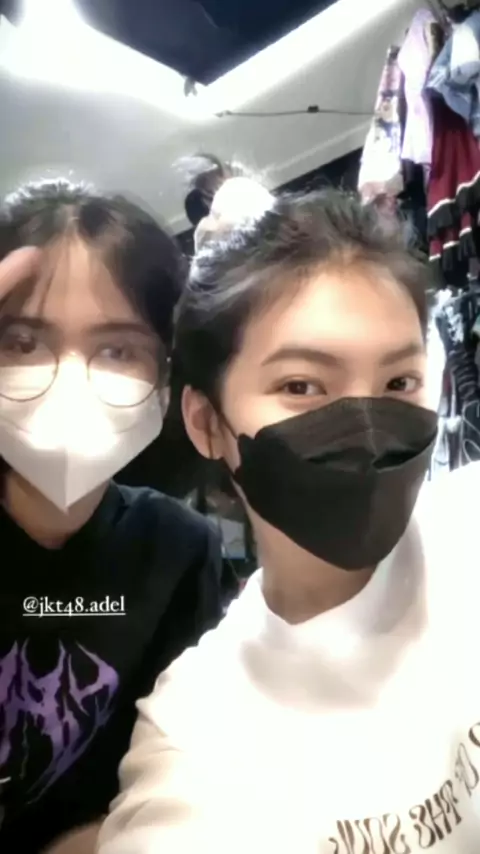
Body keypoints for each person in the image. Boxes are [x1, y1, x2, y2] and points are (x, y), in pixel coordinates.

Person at [98, 161, 480, 854]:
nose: (367, 430)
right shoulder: (199, 740)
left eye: (399, 381)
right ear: (208, 423)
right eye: (302, 386)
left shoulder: (468, 527)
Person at [0, 180, 228, 854]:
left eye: (118, 349)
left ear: (166, 377)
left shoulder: (179, 549)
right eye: (23, 341)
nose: (69, 377)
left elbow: (184, 771)